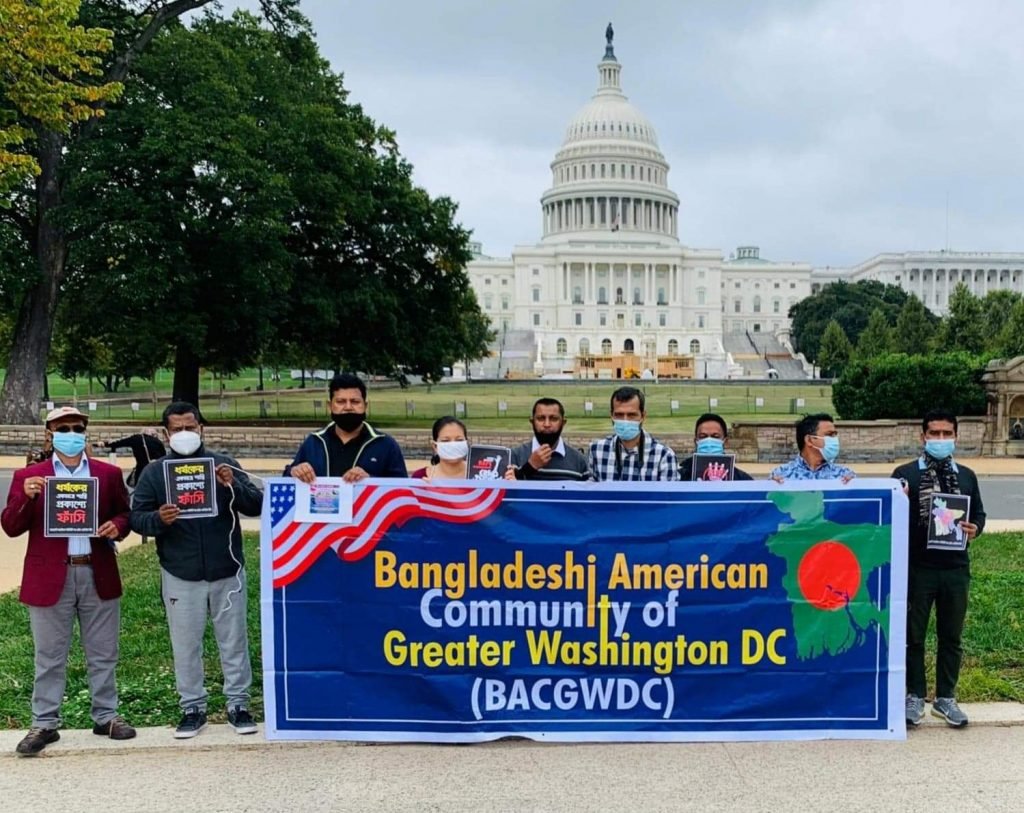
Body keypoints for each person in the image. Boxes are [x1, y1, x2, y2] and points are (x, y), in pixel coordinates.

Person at [1, 406, 136, 756]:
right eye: (63, 429)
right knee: (49, 655)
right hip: (49, 575)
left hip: (96, 569)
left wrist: (118, 526)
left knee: (103, 651)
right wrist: (26, 496)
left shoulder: (107, 474)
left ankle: (106, 715)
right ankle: (44, 722)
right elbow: (11, 526)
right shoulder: (30, 476)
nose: (71, 434)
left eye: (77, 428)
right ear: (50, 434)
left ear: (85, 432)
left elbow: (125, 513)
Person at [130, 402, 263, 739]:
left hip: (226, 569)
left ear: (201, 428)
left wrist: (232, 486)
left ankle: (238, 704)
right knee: (185, 644)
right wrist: (159, 519)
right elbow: (137, 518)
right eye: (177, 429)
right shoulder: (155, 473)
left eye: (190, 427)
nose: (184, 433)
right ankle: (192, 707)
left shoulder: (222, 464)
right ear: (166, 434)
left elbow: (256, 504)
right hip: (180, 571)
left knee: (234, 641)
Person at [894, 409, 985, 728]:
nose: (941, 439)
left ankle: (946, 698)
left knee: (951, 636)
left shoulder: (966, 476)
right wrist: (901, 500)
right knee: (913, 635)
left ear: (956, 437)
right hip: (918, 568)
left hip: (955, 569)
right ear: (923, 437)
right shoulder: (906, 474)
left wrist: (975, 529)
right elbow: (891, 516)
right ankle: (915, 695)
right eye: (935, 433)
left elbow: (979, 514)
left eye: (947, 434)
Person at [285, 373, 407, 482]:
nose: (348, 407)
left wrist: (369, 481)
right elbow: (286, 478)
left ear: (365, 406)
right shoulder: (314, 442)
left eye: (355, 402)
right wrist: (294, 471)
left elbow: (403, 488)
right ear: (330, 406)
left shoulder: (385, 445)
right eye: (341, 401)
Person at [588, 386, 678, 481]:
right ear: (611, 415)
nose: (625, 420)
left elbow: (668, 491)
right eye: (619, 415)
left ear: (643, 416)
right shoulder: (596, 451)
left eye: (631, 415)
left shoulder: (664, 456)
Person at [505, 398, 590, 481]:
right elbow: (505, 488)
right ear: (532, 422)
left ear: (563, 423)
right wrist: (529, 467)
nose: (547, 424)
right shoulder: (513, 457)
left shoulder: (579, 461)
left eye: (554, 419)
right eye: (541, 418)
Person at [769, 413, 855, 482]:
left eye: (834, 435)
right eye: (829, 435)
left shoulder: (844, 474)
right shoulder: (781, 474)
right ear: (809, 440)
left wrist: (853, 487)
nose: (834, 440)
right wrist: (771, 488)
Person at [678, 413, 753, 481]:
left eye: (715, 436)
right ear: (696, 441)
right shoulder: (679, 477)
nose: (709, 441)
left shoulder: (742, 480)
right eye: (703, 436)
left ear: (725, 442)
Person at [100, 429, 166, 488]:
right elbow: (164, 457)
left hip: (141, 471)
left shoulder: (136, 438)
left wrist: (105, 444)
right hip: (156, 472)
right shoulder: (158, 442)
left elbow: (120, 442)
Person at [412, 416, 470, 481]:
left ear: (466, 443)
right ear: (435, 446)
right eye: (446, 440)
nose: (453, 444)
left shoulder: (477, 474)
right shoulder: (420, 477)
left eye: (459, 440)